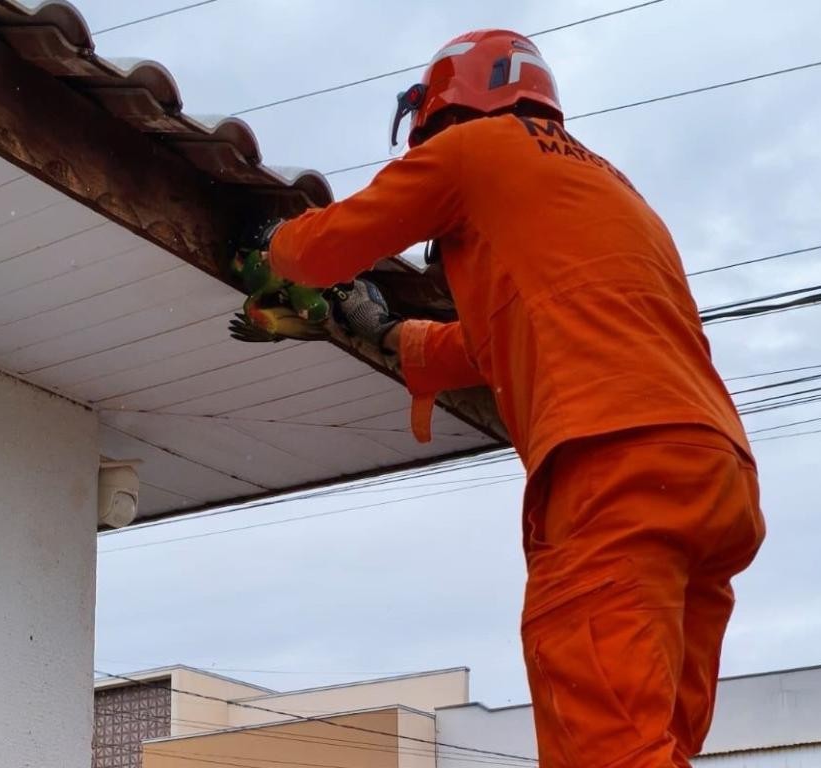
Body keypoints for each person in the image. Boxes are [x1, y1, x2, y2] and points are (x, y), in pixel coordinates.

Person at [254, 29, 766, 768]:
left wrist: (270, 242)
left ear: (439, 108)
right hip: (716, 479)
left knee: (608, 751)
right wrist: (394, 336)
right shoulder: (609, 187)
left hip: (615, 467)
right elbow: (513, 331)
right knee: (658, 745)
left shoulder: (474, 149)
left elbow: (318, 251)